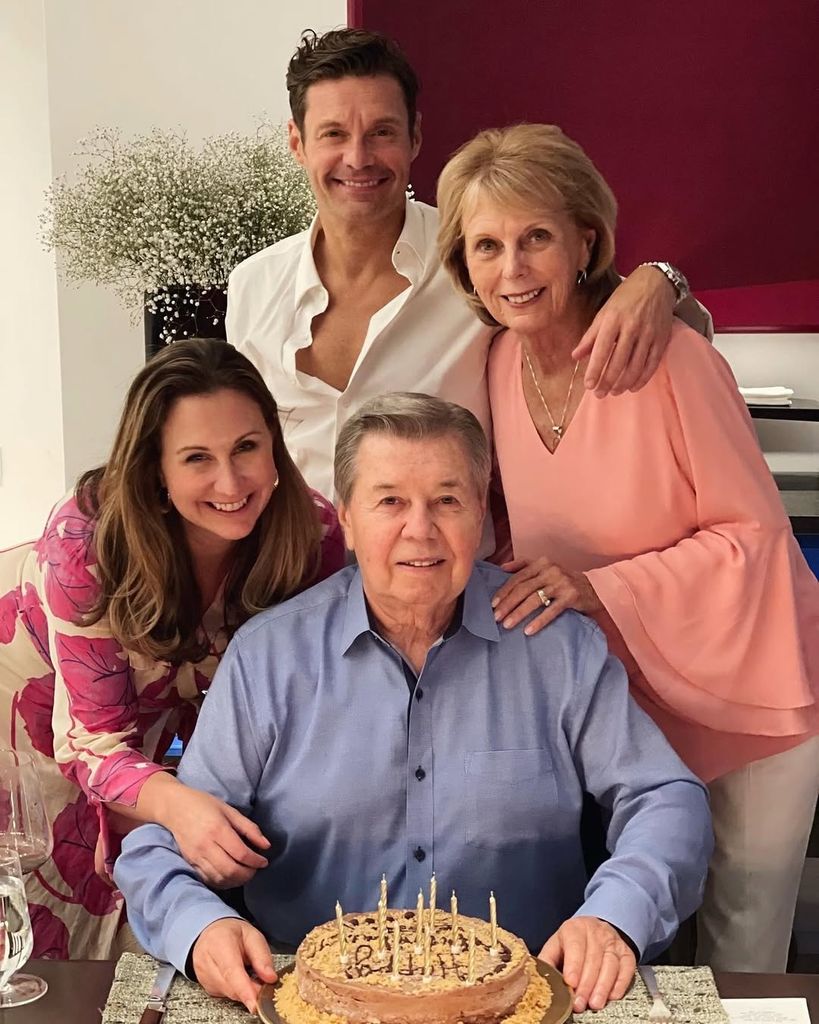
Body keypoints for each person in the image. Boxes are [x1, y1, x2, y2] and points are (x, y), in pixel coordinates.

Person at [115, 393, 712, 1016]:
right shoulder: (268, 658)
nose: (420, 529)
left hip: (524, 1003)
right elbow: (161, 846)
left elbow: (666, 799)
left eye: (447, 501)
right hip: (312, 1004)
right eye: (390, 501)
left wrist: (614, 916)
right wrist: (200, 928)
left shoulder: (557, 645)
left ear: (480, 514)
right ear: (346, 517)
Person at [436, 123, 819, 972]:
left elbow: (753, 537)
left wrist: (599, 586)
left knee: (737, 957)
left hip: (750, 699)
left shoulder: (669, 358)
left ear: (583, 240)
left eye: (535, 237)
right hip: (617, 716)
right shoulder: (496, 363)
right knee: (629, 945)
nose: (513, 269)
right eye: (488, 246)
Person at [225, 27, 712, 503]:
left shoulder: (479, 258)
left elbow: (650, 320)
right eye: (334, 133)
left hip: (446, 576)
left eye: (382, 132)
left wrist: (659, 279)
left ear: (415, 136)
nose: (358, 157)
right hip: (291, 578)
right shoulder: (253, 286)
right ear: (297, 142)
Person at [0, 339, 344, 960]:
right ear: (155, 470)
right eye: (196, 459)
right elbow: (93, 740)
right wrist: (181, 805)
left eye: (246, 447)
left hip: (168, 719)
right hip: (37, 703)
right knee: (53, 907)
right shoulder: (86, 544)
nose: (231, 482)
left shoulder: (313, 536)